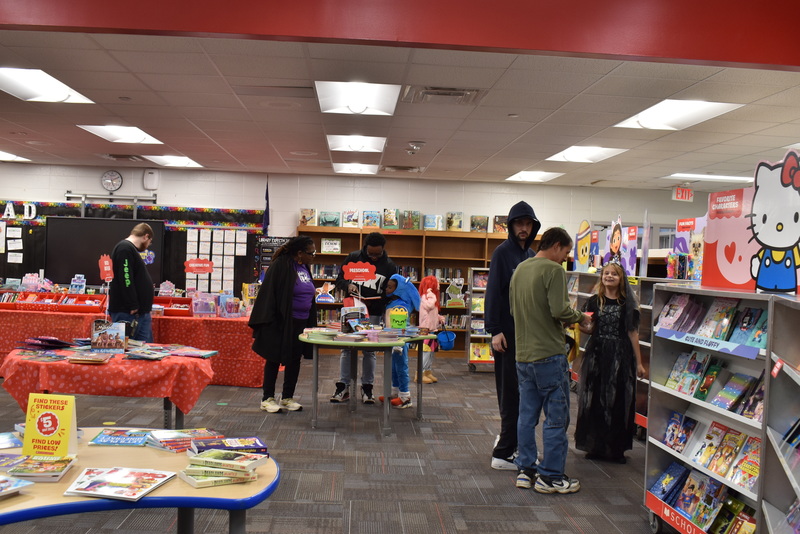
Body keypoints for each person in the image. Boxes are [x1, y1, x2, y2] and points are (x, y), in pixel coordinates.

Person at [510, 227, 592, 494]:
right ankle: (551, 476)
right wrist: (581, 319)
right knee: (556, 418)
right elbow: (559, 310)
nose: (564, 259)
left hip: (523, 355)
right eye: (566, 252)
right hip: (549, 354)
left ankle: (526, 469)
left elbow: (514, 309)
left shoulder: (521, 269)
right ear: (556, 245)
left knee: (526, 416)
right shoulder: (554, 270)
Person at [484, 201, 540, 470]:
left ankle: (514, 443)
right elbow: (493, 292)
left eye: (528, 224)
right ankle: (503, 452)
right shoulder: (502, 253)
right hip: (505, 335)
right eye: (520, 224)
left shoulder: (530, 254)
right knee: (508, 392)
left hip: (525, 336)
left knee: (523, 393)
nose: (524, 229)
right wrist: (494, 330)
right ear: (511, 226)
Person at [574, 262, 646, 463]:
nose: (609, 276)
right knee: (595, 397)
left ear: (621, 278)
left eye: (614, 274)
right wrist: (578, 325)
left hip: (620, 356)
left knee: (618, 400)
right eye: (606, 273)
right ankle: (594, 445)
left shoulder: (627, 305)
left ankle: (615, 449)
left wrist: (639, 363)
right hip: (597, 354)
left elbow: (633, 334)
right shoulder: (594, 302)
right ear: (601, 277)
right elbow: (589, 327)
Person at [248, 236, 318, 413]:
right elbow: (270, 294)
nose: (313, 256)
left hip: (301, 322)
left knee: (295, 359)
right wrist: (271, 321)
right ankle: (267, 398)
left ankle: (287, 397)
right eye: (311, 253)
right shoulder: (281, 265)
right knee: (274, 358)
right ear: (300, 253)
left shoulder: (304, 267)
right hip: (281, 321)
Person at [331, 232, 398, 404]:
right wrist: (348, 285)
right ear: (365, 249)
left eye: (378, 254)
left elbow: (391, 291)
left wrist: (384, 298)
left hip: (374, 313)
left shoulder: (389, 266)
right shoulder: (353, 258)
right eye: (371, 254)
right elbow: (339, 280)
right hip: (351, 311)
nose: (374, 257)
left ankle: (367, 387)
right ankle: (343, 386)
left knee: (370, 351)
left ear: (383, 250)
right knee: (346, 349)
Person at [108, 222, 156, 343]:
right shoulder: (125, 249)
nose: (148, 245)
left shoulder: (129, 250)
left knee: (143, 352)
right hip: (128, 312)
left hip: (139, 313)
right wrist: (132, 304)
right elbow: (125, 278)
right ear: (145, 236)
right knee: (125, 352)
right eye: (150, 241)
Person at [382, 274, 421, 408]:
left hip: (400, 340)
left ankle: (405, 396)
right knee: (393, 367)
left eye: (390, 287)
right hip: (392, 339)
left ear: (400, 289)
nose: (386, 289)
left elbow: (399, 324)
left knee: (401, 366)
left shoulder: (401, 305)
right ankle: (395, 392)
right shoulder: (392, 302)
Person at [417, 275, 444, 384]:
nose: (439, 284)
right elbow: (429, 306)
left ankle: (427, 371)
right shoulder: (426, 297)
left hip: (432, 329)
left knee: (431, 352)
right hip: (425, 330)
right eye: (436, 282)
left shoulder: (430, 297)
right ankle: (420, 373)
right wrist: (431, 295)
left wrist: (439, 318)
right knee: (425, 352)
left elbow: (431, 312)